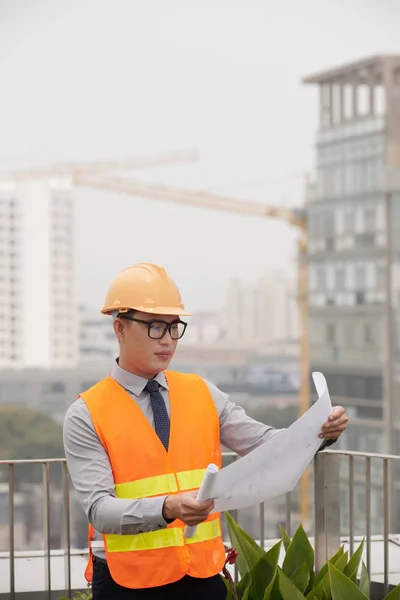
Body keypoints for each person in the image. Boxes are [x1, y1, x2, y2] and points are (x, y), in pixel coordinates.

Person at [63, 263, 348, 600]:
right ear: (120, 328)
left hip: (202, 575)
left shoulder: (201, 393)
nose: (168, 340)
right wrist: (167, 507)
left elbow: (265, 444)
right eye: (155, 327)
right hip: (128, 582)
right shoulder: (86, 413)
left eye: (174, 327)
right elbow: (100, 509)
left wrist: (320, 430)